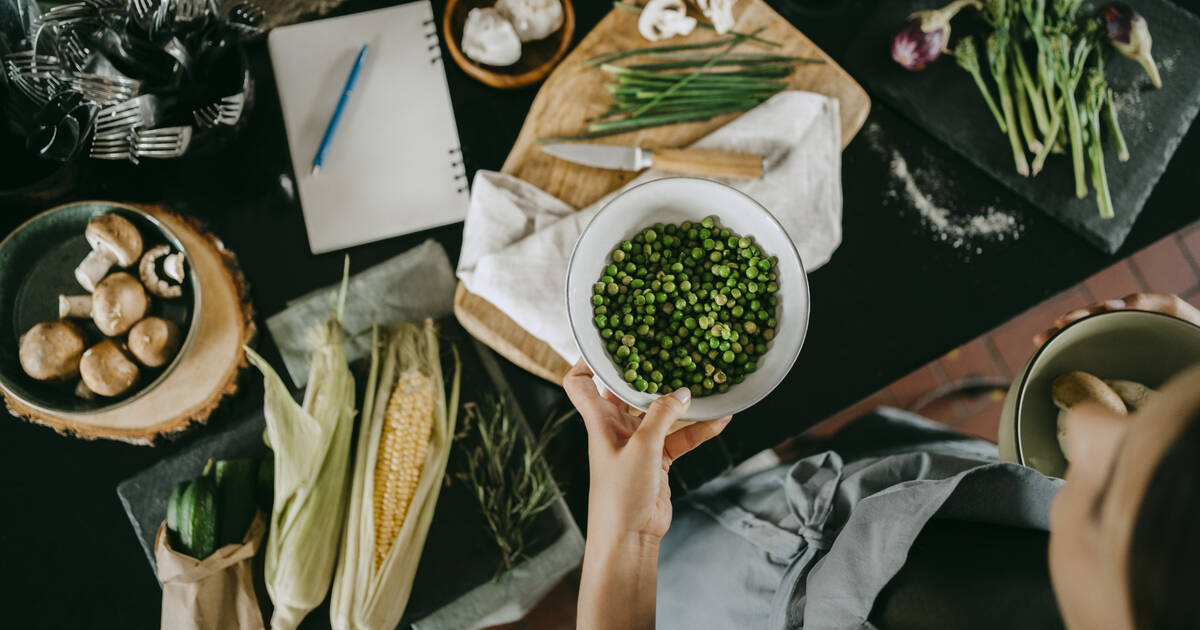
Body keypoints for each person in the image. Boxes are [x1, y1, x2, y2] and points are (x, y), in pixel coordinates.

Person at [565, 293, 1200, 630]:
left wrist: (628, 542)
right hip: (889, 490)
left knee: (687, 564)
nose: (1090, 426)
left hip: (749, 603)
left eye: (1100, 485)